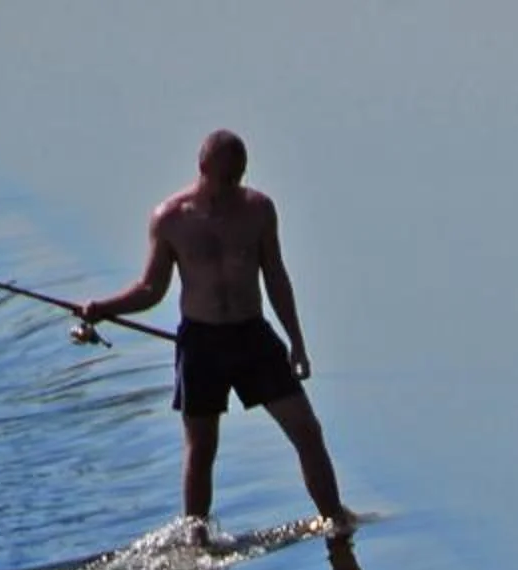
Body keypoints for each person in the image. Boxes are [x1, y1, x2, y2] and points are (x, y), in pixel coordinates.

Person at [79, 129, 350, 536]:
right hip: (202, 343)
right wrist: (103, 309)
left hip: (253, 336)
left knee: (307, 430)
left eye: (236, 178)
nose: (228, 188)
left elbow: (275, 276)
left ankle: (335, 520)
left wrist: (297, 342)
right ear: (202, 168)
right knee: (202, 448)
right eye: (222, 178)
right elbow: (151, 289)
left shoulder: (259, 210)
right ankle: (196, 539)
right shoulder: (170, 218)